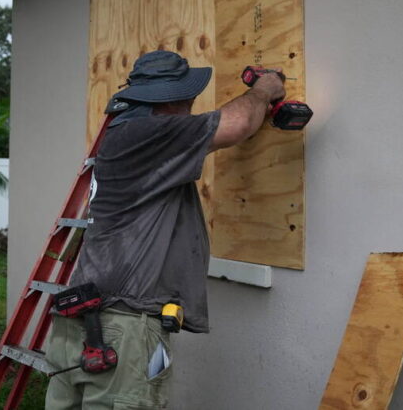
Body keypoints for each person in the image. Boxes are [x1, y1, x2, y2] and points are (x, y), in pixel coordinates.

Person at [45, 50, 285, 409]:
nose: (191, 105)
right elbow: (236, 125)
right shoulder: (150, 134)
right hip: (120, 328)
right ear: (169, 102)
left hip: (82, 320)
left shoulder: (125, 131)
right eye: (186, 98)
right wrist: (263, 91)